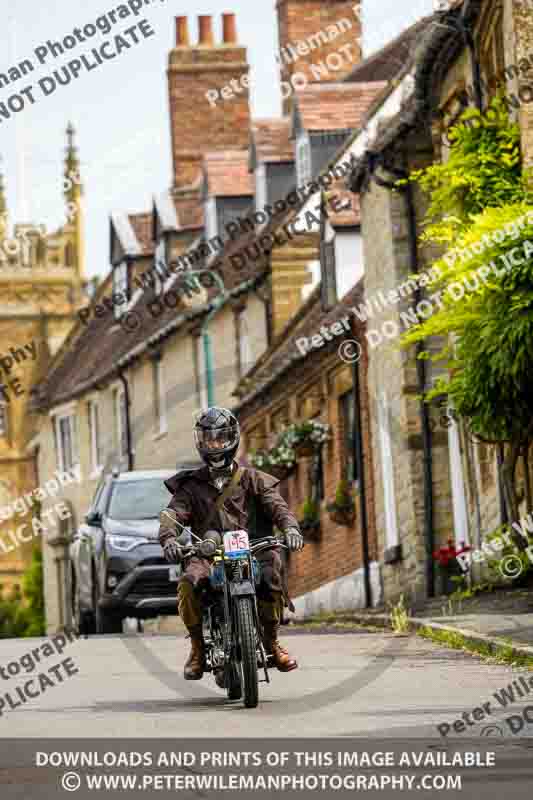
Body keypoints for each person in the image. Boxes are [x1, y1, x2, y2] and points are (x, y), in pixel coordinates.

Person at [158, 406, 304, 681]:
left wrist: (291, 528)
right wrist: (169, 538)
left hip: (253, 548)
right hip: (208, 553)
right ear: (200, 442)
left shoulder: (253, 479)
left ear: (232, 439)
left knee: (272, 568)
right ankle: (197, 649)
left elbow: (278, 507)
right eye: (208, 438)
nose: (214, 444)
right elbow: (174, 514)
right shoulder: (190, 486)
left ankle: (271, 641)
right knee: (189, 582)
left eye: (220, 438)